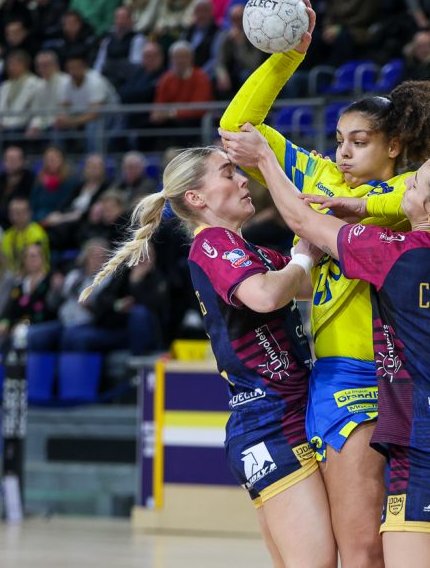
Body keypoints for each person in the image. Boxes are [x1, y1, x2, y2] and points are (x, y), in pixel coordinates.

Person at [217, 0, 430, 568]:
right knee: (360, 546)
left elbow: (367, 211)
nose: (344, 153)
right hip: (341, 375)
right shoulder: (322, 175)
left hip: (407, 376)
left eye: (360, 141)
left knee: (426, 544)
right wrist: (287, 58)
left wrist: (285, 174)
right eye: (339, 140)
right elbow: (235, 128)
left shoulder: (414, 194)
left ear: (394, 146)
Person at [225, 136, 430, 566]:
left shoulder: (395, 255)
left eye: (415, 185)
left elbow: (301, 220)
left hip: (426, 445)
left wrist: (264, 160)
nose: (404, 186)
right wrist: (363, 205)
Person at [78, 147, 335, 567]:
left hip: (280, 415)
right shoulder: (213, 242)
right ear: (196, 198)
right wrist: (304, 256)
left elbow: (307, 283)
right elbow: (267, 294)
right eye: (228, 173)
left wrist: (322, 208)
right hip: (270, 420)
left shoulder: (245, 251)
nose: (243, 180)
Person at [2, 197, 50, 273]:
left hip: (36, 274)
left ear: (29, 213)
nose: (15, 217)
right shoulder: (6, 235)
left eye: (18, 213)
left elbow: (35, 262)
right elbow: (5, 260)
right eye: (12, 213)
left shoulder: (36, 233)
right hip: (13, 275)